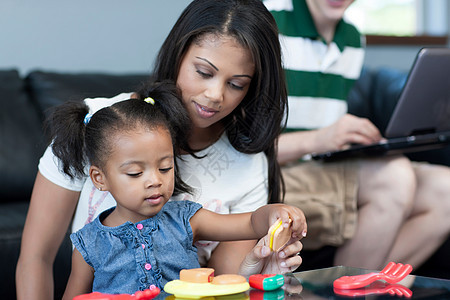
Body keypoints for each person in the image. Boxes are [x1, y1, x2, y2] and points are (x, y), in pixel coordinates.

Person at [16, 1, 303, 299]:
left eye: (236, 84)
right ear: (178, 56)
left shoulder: (245, 166)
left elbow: (220, 284)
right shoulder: (96, 125)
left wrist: (261, 261)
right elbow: (36, 258)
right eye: (204, 72)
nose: (215, 95)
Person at [47, 82, 306, 298]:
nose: (154, 181)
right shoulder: (89, 244)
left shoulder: (186, 219)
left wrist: (275, 213)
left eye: (165, 167)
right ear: (99, 178)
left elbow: (249, 222)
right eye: (136, 173)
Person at [265, 0, 450, 270]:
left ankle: (359, 286)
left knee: (445, 188)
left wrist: (353, 141)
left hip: (322, 168)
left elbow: (324, 136)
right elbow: (242, 148)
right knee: (393, 176)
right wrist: (321, 138)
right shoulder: (267, 22)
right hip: (273, 171)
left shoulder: (351, 38)